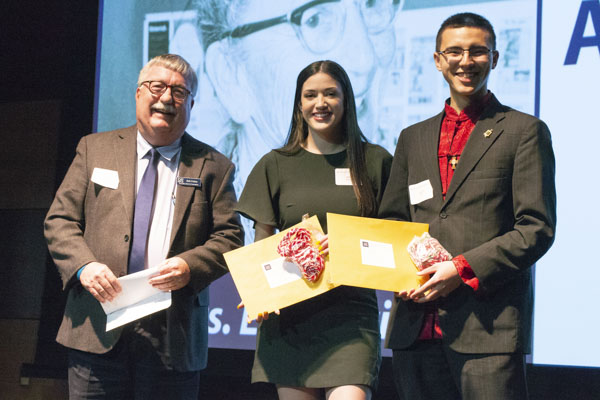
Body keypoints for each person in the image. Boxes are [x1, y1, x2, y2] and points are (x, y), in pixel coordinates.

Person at [44, 54, 244, 399]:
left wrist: (189, 266)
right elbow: (60, 220)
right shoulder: (95, 149)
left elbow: (231, 236)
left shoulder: (214, 166)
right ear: (138, 93)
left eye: (179, 92)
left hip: (173, 332)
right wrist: (83, 266)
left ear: (191, 104)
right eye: (157, 87)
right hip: (97, 324)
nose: (166, 98)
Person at [378, 13, 556, 400]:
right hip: (415, 325)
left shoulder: (523, 131)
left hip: (487, 329)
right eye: (454, 51)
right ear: (438, 60)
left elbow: (535, 228)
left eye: (477, 51)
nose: (465, 60)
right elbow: (392, 220)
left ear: (494, 59)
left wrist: (461, 269)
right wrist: (401, 273)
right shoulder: (413, 137)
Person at [236, 60, 392, 400]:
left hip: (351, 318)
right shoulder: (274, 163)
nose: (319, 103)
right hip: (290, 321)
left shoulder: (375, 160)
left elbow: (391, 238)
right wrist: (258, 294)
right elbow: (260, 240)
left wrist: (345, 243)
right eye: (310, 95)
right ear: (299, 103)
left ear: (346, 100)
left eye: (330, 94)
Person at [195, 0, 401, 195]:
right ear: (229, 75)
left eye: (371, 3)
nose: (366, 60)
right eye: (315, 20)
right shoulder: (201, 212)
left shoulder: (400, 180)